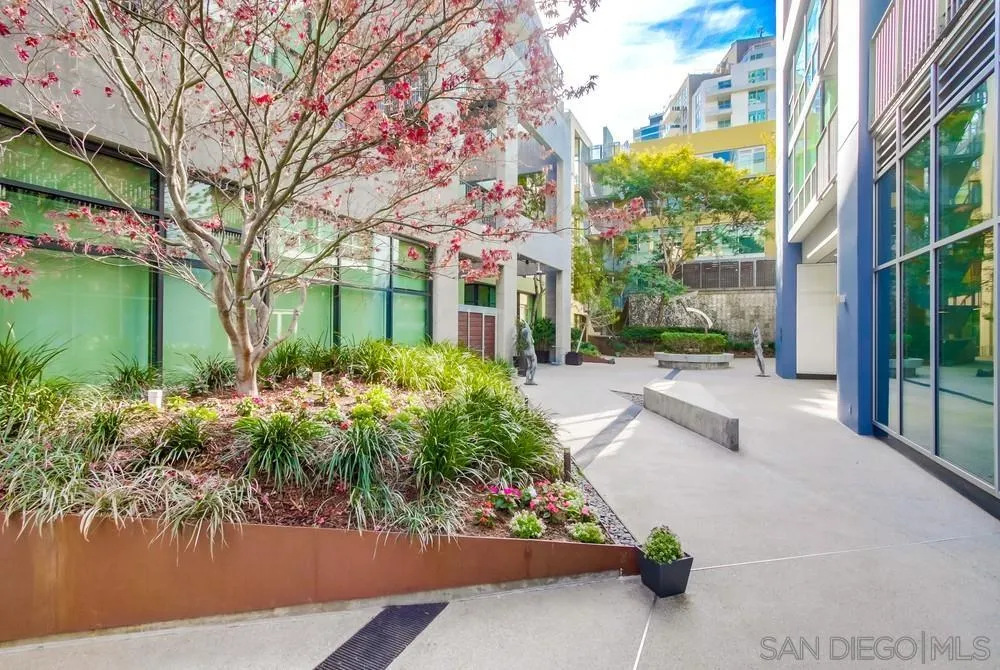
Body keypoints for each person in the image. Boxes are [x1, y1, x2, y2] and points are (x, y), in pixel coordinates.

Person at [521, 321, 538, 385]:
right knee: (534, 366)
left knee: (529, 366)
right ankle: (531, 380)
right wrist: (525, 323)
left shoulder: (524, 339)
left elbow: (527, 329)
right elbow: (528, 329)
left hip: (526, 352)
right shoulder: (529, 339)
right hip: (531, 352)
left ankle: (527, 380)